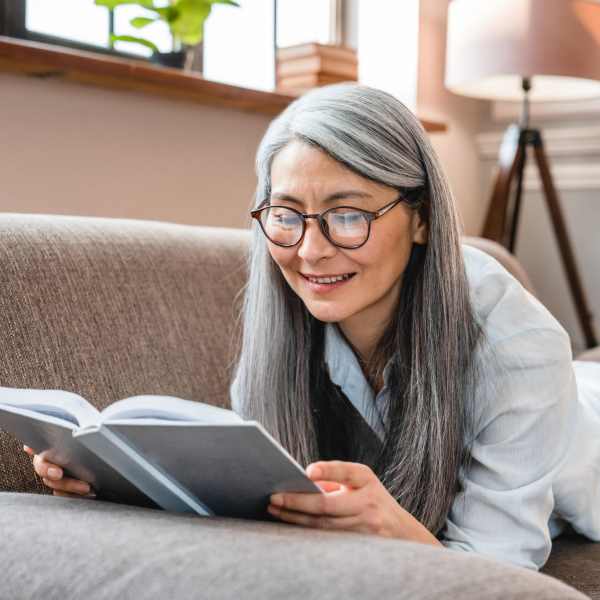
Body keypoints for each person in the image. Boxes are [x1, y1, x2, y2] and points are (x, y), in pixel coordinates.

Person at [25, 83, 600, 571]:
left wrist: (395, 531)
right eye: (286, 215)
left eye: (348, 215)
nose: (310, 250)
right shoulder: (284, 313)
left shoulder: (517, 349)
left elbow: (498, 577)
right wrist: (123, 482)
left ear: (421, 216)